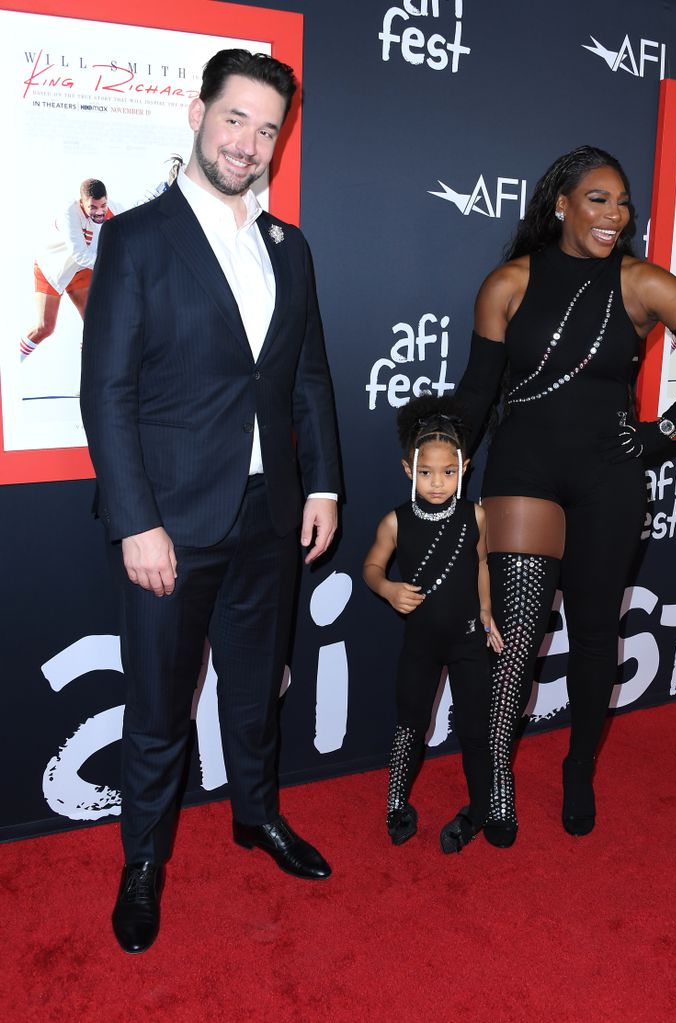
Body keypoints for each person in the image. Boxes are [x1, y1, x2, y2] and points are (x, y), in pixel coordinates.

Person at [80, 49, 341, 954]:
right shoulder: (139, 238)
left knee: (254, 693)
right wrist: (134, 520)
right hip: (174, 524)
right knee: (157, 710)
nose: (249, 143)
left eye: (268, 129)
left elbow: (307, 376)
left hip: (272, 517)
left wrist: (324, 485)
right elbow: (105, 391)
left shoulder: (288, 245)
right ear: (197, 114)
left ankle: (255, 816)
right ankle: (143, 862)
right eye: (235, 120)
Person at [454, 145, 676, 848]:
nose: (614, 215)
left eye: (621, 204)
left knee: (591, 636)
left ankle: (577, 768)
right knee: (513, 637)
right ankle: (496, 779)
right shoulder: (508, 284)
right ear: (560, 203)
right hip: (522, 471)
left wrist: (659, 435)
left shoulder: (641, 282)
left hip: (607, 481)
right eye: (597, 199)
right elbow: (476, 395)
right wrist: (439, 465)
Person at [363, 394, 504, 853]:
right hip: (420, 645)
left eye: (448, 472)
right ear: (409, 470)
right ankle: (395, 805)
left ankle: (479, 809)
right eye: (426, 473)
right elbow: (371, 568)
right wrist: (387, 589)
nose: (438, 483)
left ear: (463, 468)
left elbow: (482, 564)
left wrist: (486, 613)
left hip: (468, 641)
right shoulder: (396, 522)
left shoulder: (475, 516)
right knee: (409, 725)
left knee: (473, 729)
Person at [21, 178, 119, 360]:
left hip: (82, 271)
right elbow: (80, 254)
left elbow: (134, 220)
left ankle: (90, 380)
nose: (100, 212)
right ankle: (11, 365)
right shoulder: (69, 213)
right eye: (93, 207)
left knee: (96, 326)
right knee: (45, 327)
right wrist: (115, 264)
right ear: (82, 203)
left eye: (103, 205)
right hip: (52, 268)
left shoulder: (113, 208)